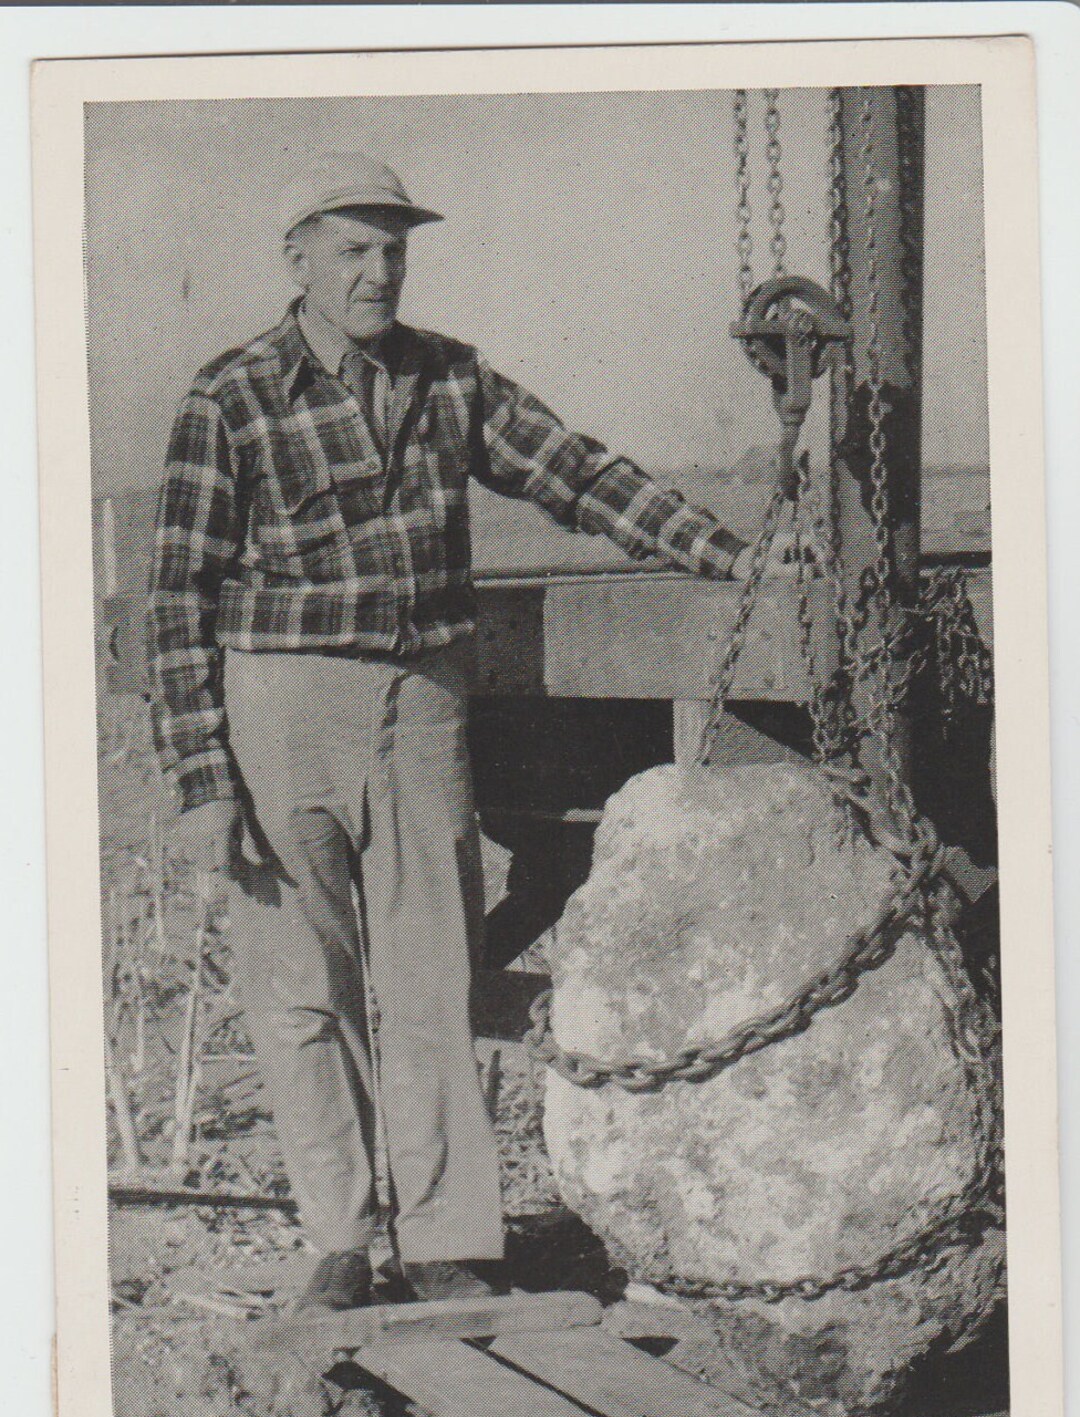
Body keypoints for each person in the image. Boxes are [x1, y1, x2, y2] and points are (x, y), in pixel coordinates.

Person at [147, 154, 753, 1310]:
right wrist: (200, 779)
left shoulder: (450, 379)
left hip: (421, 706)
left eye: (393, 251)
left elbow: (574, 475)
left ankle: (449, 1240)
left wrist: (730, 558)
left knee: (432, 976)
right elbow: (177, 594)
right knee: (301, 988)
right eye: (353, 251)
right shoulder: (229, 395)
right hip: (280, 710)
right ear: (300, 262)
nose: (378, 272)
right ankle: (341, 1235)